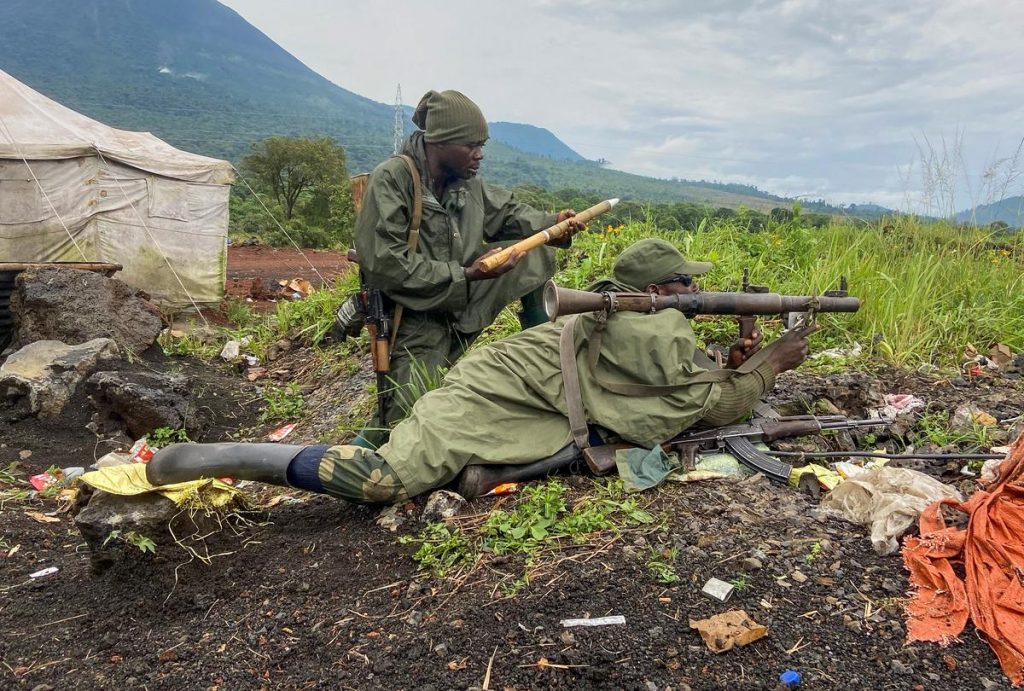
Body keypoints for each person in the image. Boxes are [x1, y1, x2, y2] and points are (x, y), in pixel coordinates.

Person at [148, 239, 812, 502]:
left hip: (512, 398)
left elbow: (688, 383)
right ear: (660, 292)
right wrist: (770, 364)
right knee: (385, 479)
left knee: (406, 462)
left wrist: (738, 364)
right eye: (682, 288)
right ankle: (230, 456)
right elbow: (714, 405)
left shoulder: (638, 322)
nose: (692, 297)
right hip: (485, 395)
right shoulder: (645, 327)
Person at [345, 89, 582, 445]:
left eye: (482, 144)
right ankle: (341, 467)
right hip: (414, 317)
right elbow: (385, 263)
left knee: (529, 252)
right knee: (405, 421)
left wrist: (553, 224)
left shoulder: (467, 181)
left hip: (462, 297)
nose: (480, 154)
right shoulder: (393, 179)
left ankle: (546, 353)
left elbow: (507, 214)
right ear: (440, 143)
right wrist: (466, 275)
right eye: (472, 145)